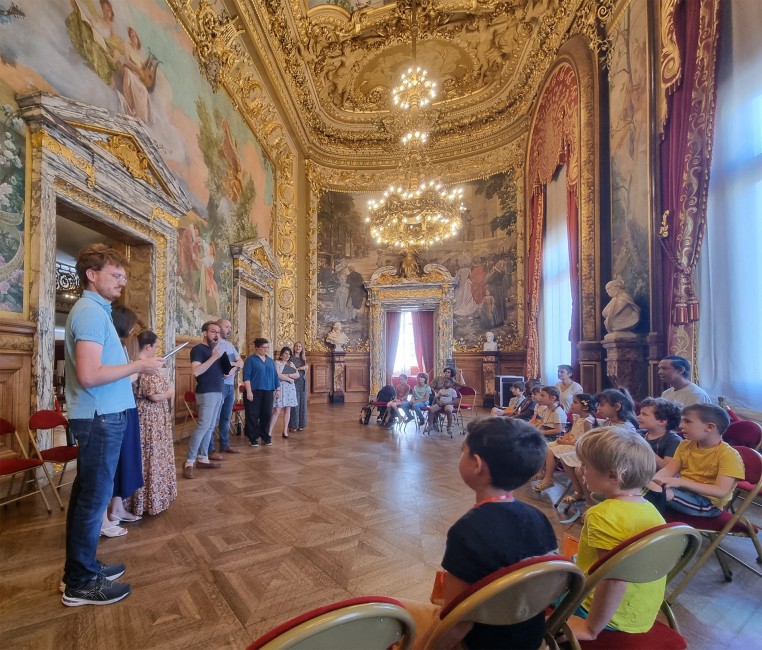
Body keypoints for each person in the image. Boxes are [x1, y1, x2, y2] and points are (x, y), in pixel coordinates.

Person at [61, 244, 164, 607]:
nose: (122, 282)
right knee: (93, 500)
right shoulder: (89, 313)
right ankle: (80, 583)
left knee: (89, 496)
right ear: (92, 275)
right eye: (115, 275)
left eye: (123, 276)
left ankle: (82, 568)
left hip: (106, 414)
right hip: (100, 417)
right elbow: (89, 376)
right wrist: (139, 366)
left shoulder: (98, 312)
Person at [407, 418, 557, 649]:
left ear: (476, 464)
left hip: (480, 642)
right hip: (530, 635)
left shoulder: (467, 531)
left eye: (462, 452)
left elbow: (457, 620)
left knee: (393, 614)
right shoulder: (539, 517)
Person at [566, 427, 666, 641]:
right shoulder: (649, 508)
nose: (581, 471)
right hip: (640, 611)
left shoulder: (602, 515)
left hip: (605, 616)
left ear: (613, 475)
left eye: (586, 465)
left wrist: (590, 629)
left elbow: (613, 580)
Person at [648, 404, 743, 517]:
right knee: (644, 486)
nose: (681, 425)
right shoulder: (685, 445)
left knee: (659, 493)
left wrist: (679, 482)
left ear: (710, 427)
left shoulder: (729, 455)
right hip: (682, 491)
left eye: (687, 421)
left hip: (708, 504)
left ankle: (653, 526)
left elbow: (720, 491)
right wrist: (652, 480)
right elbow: (669, 469)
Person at [102, 305, 144, 535]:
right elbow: (112, 379)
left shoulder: (121, 345)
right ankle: (103, 520)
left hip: (124, 407)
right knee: (108, 467)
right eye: (131, 325)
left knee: (122, 461)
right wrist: (137, 370)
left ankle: (117, 507)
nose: (133, 331)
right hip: (110, 410)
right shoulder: (109, 345)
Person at [126, 329, 176, 516]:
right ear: (148, 346)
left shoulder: (137, 364)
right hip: (149, 417)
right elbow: (153, 395)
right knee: (149, 457)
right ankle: (145, 500)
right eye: (155, 346)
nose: (156, 350)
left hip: (151, 416)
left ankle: (145, 500)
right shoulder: (144, 366)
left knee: (148, 456)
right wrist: (170, 392)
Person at [183, 322, 225, 479]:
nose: (216, 335)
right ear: (205, 333)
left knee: (210, 427)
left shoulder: (214, 351)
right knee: (202, 426)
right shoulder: (198, 349)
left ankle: (203, 458)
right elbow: (196, 371)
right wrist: (214, 357)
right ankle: (189, 462)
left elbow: (218, 371)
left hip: (218, 391)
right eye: (213, 332)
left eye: (218, 332)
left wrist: (231, 368)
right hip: (206, 392)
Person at [534, 393, 598, 494]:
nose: (571, 404)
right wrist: (565, 437)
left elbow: (585, 441)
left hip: (577, 446)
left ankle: (548, 478)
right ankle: (541, 472)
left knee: (550, 451)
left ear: (585, 407)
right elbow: (571, 432)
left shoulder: (588, 421)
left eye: (575, 402)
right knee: (545, 446)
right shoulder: (577, 417)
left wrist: (565, 442)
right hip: (570, 442)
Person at [211, 318, 243, 455]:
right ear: (218, 328)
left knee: (226, 417)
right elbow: (217, 365)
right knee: (214, 418)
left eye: (230, 327)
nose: (229, 329)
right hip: (218, 385)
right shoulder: (213, 345)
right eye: (227, 327)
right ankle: (210, 448)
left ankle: (225, 444)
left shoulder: (230, 345)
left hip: (230, 386)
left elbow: (241, 362)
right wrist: (234, 365)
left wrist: (233, 367)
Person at [243, 338, 281, 447]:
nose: (266, 350)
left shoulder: (270, 360)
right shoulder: (251, 360)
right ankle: (253, 437)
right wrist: (249, 391)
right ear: (257, 348)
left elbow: (275, 376)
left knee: (267, 414)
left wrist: (278, 389)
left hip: (268, 391)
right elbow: (246, 376)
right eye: (263, 348)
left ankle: (265, 436)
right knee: (253, 415)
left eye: (267, 347)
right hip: (254, 390)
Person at [637, 397, 683, 470]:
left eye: (644, 414)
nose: (638, 417)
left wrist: (644, 448)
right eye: (640, 413)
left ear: (661, 421)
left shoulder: (673, 440)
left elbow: (668, 468)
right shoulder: (638, 435)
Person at [269, 346, 299, 439]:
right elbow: (277, 375)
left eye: (289, 354)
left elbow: (297, 375)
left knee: (287, 410)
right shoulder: (277, 362)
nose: (287, 355)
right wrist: (289, 379)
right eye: (286, 353)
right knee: (277, 410)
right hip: (280, 387)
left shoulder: (291, 364)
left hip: (289, 389)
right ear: (281, 354)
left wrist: (287, 375)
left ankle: (285, 430)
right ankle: (269, 431)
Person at [289, 341, 309, 432]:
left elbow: (304, 373)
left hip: (303, 382)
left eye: (300, 346)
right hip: (294, 382)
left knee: (303, 404)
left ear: (302, 348)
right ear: (294, 348)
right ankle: (293, 425)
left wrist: (306, 369)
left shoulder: (303, 359)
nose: (298, 348)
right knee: (295, 404)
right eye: (296, 346)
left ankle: (301, 424)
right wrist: (301, 368)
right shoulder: (291, 359)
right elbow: (288, 371)